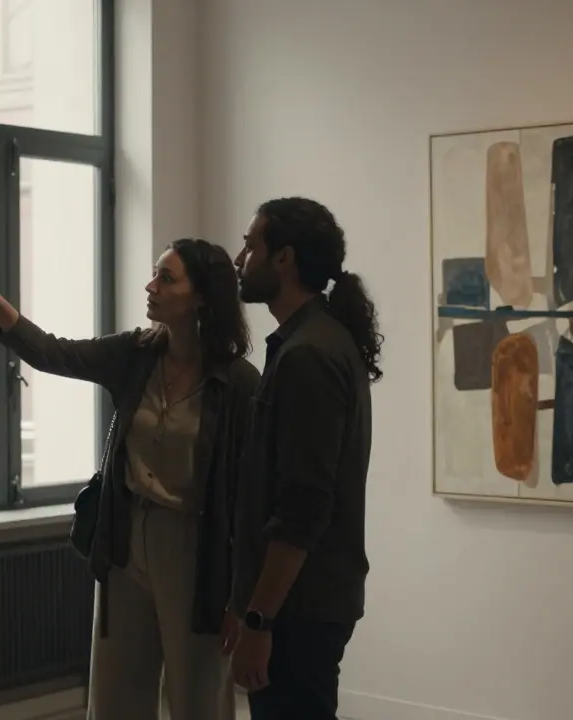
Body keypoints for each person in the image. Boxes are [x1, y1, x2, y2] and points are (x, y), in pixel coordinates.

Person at [0, 239, 259, 720]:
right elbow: (55, 353)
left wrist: (241, 598)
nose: (151, 286)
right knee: (116, 692)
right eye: (155, 274)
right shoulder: (136, 353)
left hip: (196, 550)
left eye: (167, 278)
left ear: (202, 296)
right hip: (124, 537)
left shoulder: (238, 383)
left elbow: (250, 498)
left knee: (197, 697)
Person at [223, 197, 382, 719]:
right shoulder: (314, 341)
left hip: (299, 608)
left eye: (251, 246)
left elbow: (303, 507)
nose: (239, 258)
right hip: (305, 602)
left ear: (284, 258)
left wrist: (259, 620)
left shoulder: (309, 354)